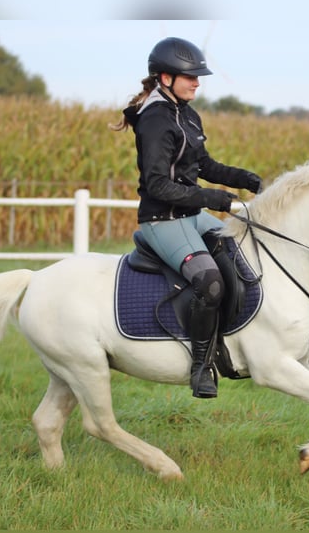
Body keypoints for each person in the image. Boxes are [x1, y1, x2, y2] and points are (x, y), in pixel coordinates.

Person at [111, 37, 262, 399]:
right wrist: (212, 197)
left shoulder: (187, 113)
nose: (197, 82)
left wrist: (245, 178)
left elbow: (204, 165)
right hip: (163, 220)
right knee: (209, 281)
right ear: (165, 78)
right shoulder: (155, 119)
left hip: (192, 216)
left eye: (198, 77)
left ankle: (230, 338)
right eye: (190, 77)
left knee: (242, 247)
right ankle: (200, 366)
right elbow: (159, 185)